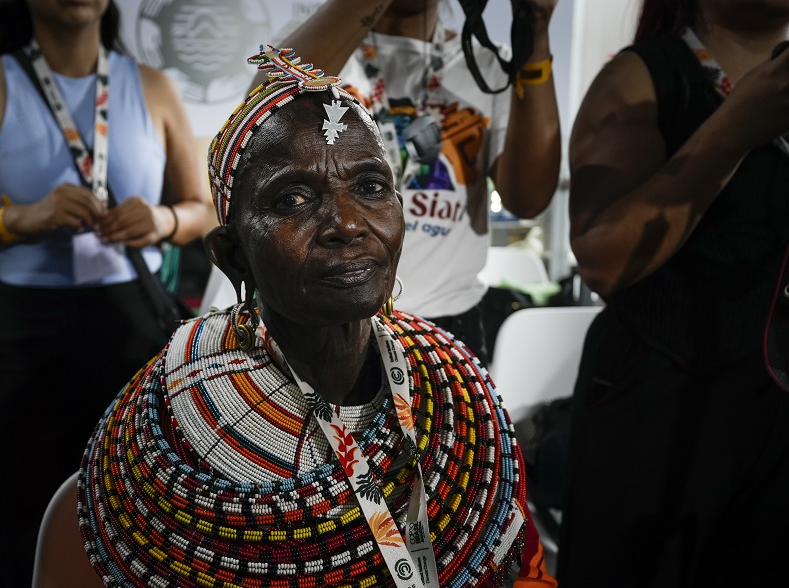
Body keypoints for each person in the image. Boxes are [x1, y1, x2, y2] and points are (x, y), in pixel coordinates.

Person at [77, 45, 586, 588]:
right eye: (293, 199)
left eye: (371, 187)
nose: (346, 223)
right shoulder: (173, 439)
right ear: (232, 255)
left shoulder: (459, 399)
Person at [0, 0, 214, 588]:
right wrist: (19, 219)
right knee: (29, 530)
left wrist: (162, 221)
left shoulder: (152, 87)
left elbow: (200, 208)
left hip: (132, 323)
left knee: (149, 520)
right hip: (24, 336)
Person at [554, 1, 789, 588]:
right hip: (655, 402)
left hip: (771, 407)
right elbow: (602, 257)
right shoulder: (647, 76)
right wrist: (733, 128)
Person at [200, 0, 561, 365]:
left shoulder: (487, 64)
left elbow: (528, 199)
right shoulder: (314, 42)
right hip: (320, 321)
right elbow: (259, 129)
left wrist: (537, 27)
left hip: (445, 323)